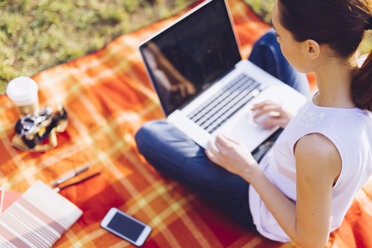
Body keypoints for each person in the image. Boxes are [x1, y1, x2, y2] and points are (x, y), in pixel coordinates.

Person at [135, 0, 372, 246]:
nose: (279, 40)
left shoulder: (317, 149)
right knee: (267, 43)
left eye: (282, 34)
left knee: (149, 135)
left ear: (311, 49)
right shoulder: (362, 80)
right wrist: (296, 117)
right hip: (293, 161)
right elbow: (342, 130)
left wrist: (248, 170)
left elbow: (311, 240)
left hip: (262, 200)